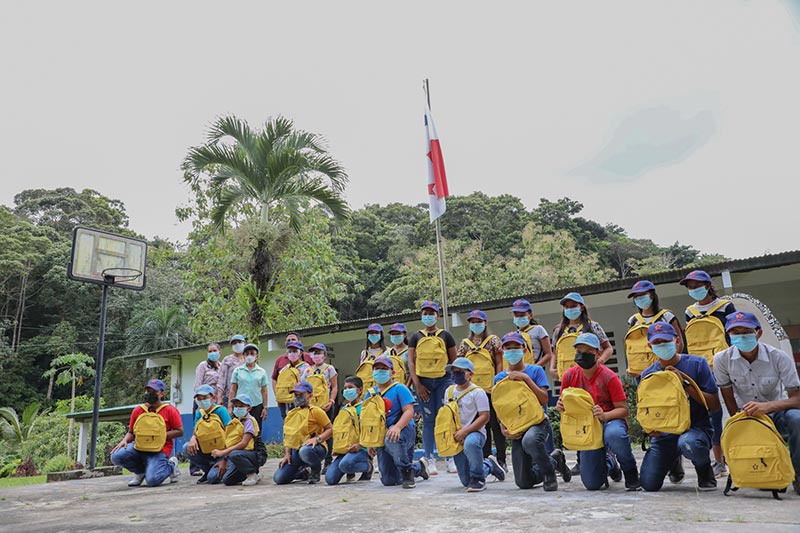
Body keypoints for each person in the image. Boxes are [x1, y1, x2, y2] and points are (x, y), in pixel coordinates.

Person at [713, 311, 800, 495]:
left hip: (777, 414)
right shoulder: (721, 360)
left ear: (758, 333)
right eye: (735, 332)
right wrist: (740, 420)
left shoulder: (779, 357)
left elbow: (797, 399)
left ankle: (798, 475)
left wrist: (767, 407)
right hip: (747, 417)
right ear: (728, 336)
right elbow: (728, 397)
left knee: (797, 419)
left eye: (746, 330)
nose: (741, 336)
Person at [638, 323, 721, 492]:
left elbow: (714, 404)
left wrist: (684, 384)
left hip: (694, 430)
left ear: (676, 341)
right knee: (648, 484)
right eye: (657, 342)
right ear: (649, 346)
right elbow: (647, 410)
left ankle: (704, 470)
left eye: (666, 341)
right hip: (664, 435)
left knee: (689, 443)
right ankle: (673, 460)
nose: (662, 345)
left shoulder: (698, 364)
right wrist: (650, 429)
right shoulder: (647, 375)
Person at [558, 333, 640, 490]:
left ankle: (630, 471)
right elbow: (564, 403)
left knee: (615, 435)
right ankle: (610, 462)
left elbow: (623, 410)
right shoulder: (569, 376)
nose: (582, 355)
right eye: (579, 351)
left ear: (598, 353)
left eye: (588, 352)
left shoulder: (609, 377)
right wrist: (561, 406)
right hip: (586, 427)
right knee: (592, 484)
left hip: (609, 421)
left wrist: (604, 415)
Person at [494, 332, 571, 491]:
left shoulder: (536, 371)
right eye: (508, 348)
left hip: (538, 422)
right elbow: (500, 407)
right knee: (523, 482)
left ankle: (549, 473)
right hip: (517, 427)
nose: (512, 351)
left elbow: (544, 399)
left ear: (524, 349)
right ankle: (555, 460)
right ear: (503, 350)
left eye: (516, 347)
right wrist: (503, 427)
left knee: (529, 440)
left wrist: (526, 379)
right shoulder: (499, 378)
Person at [681, 269, 736, 478]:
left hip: (724, 365)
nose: (694, 290)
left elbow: (733, 335)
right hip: (701, 369)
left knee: (731, 411)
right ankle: (719, 462)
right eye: (690, 287)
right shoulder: (690, 312)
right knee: (713, 415)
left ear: (708, 285)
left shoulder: (725, 307)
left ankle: (737, 454)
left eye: (697, 285)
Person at [407, 300, 457, 475]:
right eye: (425, 313)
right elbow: (411, 361)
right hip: (424, 383)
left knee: (446, 417)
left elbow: (454, 361)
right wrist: (417, 384)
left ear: (437, 315)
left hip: (444, 381)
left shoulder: (446, 335)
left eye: (431, 313)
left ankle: (450, 456)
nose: (428, 316)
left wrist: (452, 384)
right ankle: (429, 459)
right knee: (429, 421)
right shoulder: (415, 337)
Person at [366, 355, 430, 488]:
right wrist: (369, 441)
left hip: (403, 431)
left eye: (384, 369)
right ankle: (419, 467)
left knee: (392, 438)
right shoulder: (370, 394)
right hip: (382, 434)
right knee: (389, 480)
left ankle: (407, 472)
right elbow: (368, 419)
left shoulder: (400, 388)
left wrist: (397, 427)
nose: (380, 371)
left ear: (392, 372)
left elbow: (409, 411)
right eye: (377, 369)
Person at [443, 357, 506, 492]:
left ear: (470, 374)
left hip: (475, 433)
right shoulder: (449, 391)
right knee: (466, 481)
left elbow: (485, 416)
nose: (456, 374)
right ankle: (489, 465)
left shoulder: (478, 392)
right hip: (456, 435)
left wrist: (465, 432)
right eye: (453, 371)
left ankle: (479, 479)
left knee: (471, 443)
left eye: (460, 371)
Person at [456, 309, 507, 472]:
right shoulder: (465, 344)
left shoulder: (493, 341)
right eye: (472, 322)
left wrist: (497, 382)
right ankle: (485, 459)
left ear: (485, 323)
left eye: (478, 321)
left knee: (495, 425)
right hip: (472, 391)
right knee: (478, 425)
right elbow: (460, 364)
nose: (475, 324)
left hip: (491, 389)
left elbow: (499, 362)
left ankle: (501, 459)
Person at [110, 379, 184, 487]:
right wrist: (125, 440)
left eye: (154, 391)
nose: (150, 394)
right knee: (116, 456)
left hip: (159, 450)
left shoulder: (170, 410)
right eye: (148, 391)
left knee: (153, 480)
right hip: (140, 447)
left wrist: (158, 437)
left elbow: (180, 431)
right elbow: (131, 432)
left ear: (162, 393)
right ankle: (140, 472)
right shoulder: (138, 410)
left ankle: (171, 465)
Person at [273, 381, 333, 485]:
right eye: (296, 395)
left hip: (313, 449)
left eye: (301, 395)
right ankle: (303, 472)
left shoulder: (316, 411)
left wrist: (317, 439)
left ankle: (315, 469)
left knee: (304, 451)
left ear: (310, 396)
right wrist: (287, 454)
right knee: (279, 478)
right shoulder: (291, 413)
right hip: (295, 451)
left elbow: (330, 429)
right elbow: (288, 436)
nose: (297, 397)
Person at [550, 292, 613, 380]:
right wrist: (552, 368)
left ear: (582, 307)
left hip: (589, 376)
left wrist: (600, 361)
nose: (570, 309)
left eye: (573, 306)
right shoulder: (558, 330)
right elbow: (554, 352)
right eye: (567, 307)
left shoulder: (592, 326)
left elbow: (608, 348)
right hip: (567, 377)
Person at [326, 376, 373, 485]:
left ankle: (368, 466)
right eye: (345, 388)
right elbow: (338, 430)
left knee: (345, 465)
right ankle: (349, 469)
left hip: (361, 449)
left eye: (350, 387)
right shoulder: (344, 409)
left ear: (360, 390)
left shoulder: (365, 408)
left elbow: (370, 431)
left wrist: (360, 445)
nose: (347, 390)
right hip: (345, 449)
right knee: (330, 479)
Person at [208, 393, 261, 486]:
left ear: (248, 408)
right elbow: (229, 442)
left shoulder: (249, 421)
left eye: (241, 406)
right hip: (235, 456)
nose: (237, 408)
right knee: (225, 479)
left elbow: (244, 443)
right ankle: (243, 473)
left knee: (234, 454)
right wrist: (224, 459)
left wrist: (223, 452)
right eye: (235, 406)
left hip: (250, 454)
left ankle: (252, 473)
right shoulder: (234, 422)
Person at [300, 343, 338, 472]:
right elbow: (302, 387)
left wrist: (331, 401)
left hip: (326, 406)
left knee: (328, 431)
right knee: (310, 430)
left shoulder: (329, 369)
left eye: (319, 353)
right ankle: (311, 461)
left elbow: (335, 387)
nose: (316, 355)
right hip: (311, 408)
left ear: (325, 355)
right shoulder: (307, 370)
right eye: (314, 353)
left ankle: (328, 461)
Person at [183, 384, 232, 484]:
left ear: (213, 397)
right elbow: (196, 431)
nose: (202, 401)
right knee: (186, 447)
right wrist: (193, 438)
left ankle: (222, 467)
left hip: (221, 452)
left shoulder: (221, 411)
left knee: (213, 479)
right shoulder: (199, 413)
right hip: (206, 451)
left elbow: (231, 434)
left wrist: (225, 458)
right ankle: (207, 469)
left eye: (205, 398)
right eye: (199, 399)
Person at [191, 342, 223, 475]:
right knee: (198, 432)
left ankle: (215, 459)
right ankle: (195, 467)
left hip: (215, 402)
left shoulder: (222, 367)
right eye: (210, 351)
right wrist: (199, 404)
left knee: (214, 432)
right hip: (202, 402)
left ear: (220, 352)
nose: (212, 353)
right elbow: (197, 385)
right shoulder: (202, 366)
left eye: (214, 350)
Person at [228, 343, 268, 438]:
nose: (249, 356)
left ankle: (257, 450)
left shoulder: (262, 372)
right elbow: (233, 389)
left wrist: (265, 407)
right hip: (241, 406)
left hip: (256, 404)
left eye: (252, 353)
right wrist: (230, 406)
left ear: (256, 356)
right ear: (243, 356)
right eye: (247, 354)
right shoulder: (237, 371)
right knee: (240, 429)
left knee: (256, 430)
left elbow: (264, 390)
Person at [271, 333, 313, 420]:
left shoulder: (307, 368)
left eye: (295, 351)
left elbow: (311, 386)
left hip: (302, 402)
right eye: (290, 351)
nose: (292, 353)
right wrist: (278, 397)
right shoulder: (284, 368)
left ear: (300, 352)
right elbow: (276, 380)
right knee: (288, 424)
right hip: (286, 402)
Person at [511, 299, 554, 369]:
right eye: (516, 315)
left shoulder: (538, 329)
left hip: (535, 370)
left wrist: (534, 368)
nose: (519, 318)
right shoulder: (514, 335)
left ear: (530, 315)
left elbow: (548, 354)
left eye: (522, 315)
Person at [216, 334, 247, 409]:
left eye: (239, 342)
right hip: (229, 398)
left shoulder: (248, 360)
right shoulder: (227, 360)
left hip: (246, 398)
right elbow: (221, 380)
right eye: (234, 343)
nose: (237, 344)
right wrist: (219, 397)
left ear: (244, 343)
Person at [355, 323, 387, 391]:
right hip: (365, 388)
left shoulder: (387, 352)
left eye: (376, 332)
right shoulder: (364, 353)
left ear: (381, 335)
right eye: (371, 333)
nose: (373, 334)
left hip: (381, 387)